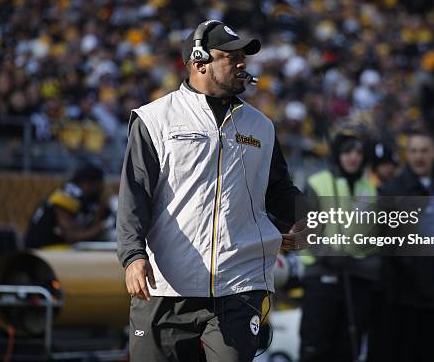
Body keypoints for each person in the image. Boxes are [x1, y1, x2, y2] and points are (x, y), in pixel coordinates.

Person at [116, 20, 307, 362]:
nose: (241, 63)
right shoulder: (154, 119)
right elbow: (134, 196)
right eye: (230, 56)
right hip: (166, 285)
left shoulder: (261, 126)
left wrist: (299, 217)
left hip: (240, 284)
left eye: (243, 56)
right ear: (199, 61)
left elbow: (278, 189)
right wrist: (132, 256)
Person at [299, 130, 380, 362]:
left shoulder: (370, 189)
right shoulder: (317, 183)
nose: (353, 157)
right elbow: (306, 227)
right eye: (347, 151)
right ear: (337, 155)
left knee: (348, 349)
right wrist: (326, 252)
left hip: (356, 279)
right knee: (315, 347)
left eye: (358, 152)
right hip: (322, 276)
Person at [377, 130, 434, 362]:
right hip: (403, 299)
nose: (419, 157)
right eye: (414, 151)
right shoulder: (392, 192)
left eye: (425, 151)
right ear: (407, 155)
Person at [24, 163, 106, 248]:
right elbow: (71, 237)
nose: (102, 189)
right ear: (87, 183)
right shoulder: (66, 197)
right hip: (42, 249)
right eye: (99, 185)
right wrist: (101, 228)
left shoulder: (83, 199)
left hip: (54, 247)